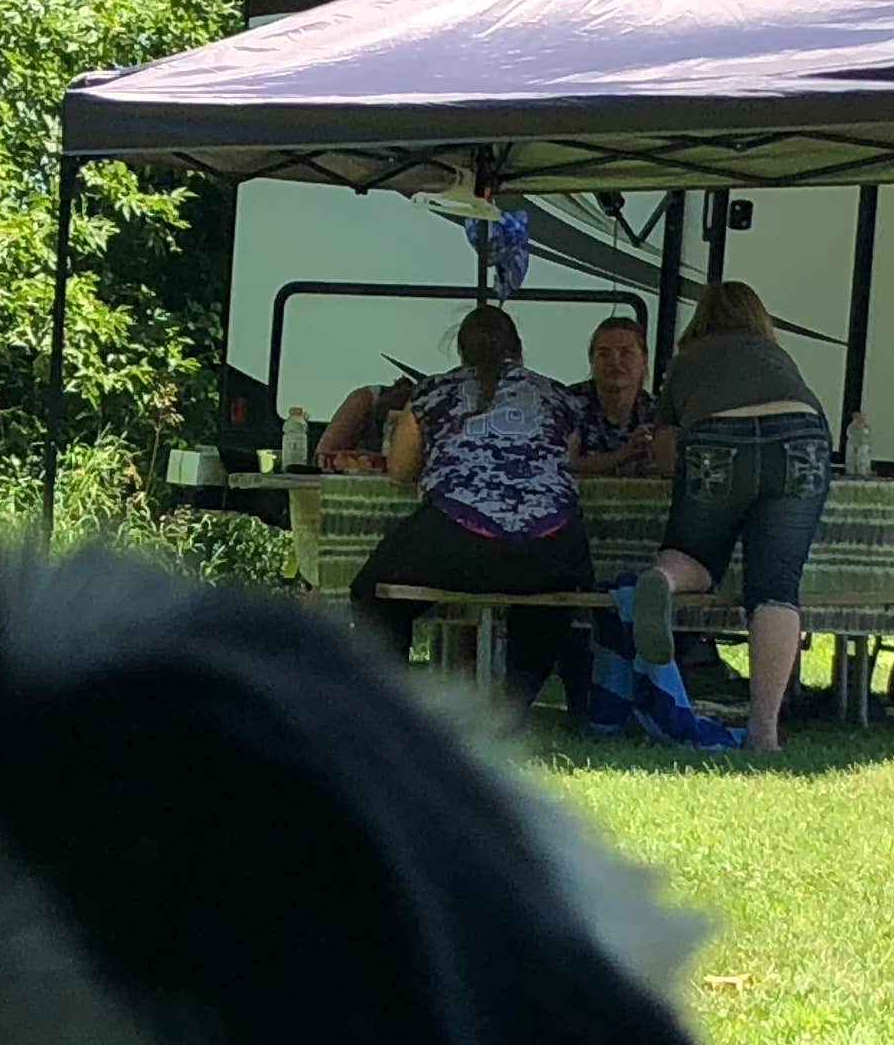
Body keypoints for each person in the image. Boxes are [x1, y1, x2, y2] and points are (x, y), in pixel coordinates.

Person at [348, 306, 593, 712]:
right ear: (519, 347)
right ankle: (517, 699)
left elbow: (400, 469)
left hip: (458, 539)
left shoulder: (430, 394)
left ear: (460, 351)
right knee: (555, 594)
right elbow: (567, 459)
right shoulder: (556, 395)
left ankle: (384, 703)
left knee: (372, 589)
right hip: (552, 548)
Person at [645, 280, 832, 752]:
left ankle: (663, 580)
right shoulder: (777, 357)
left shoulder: (687, 362)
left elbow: (666, 459)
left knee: (694, 554)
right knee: (775, 587)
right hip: (800, 439)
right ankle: (764, 730)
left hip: (716, 440)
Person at [572, 314, 665, 477]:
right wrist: (623, 455)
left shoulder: (658, 411)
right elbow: (563, 463)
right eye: (604, 354)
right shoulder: (566, 403)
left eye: (626, 353)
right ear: (591, 360)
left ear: (644, 360)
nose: (615, 361)